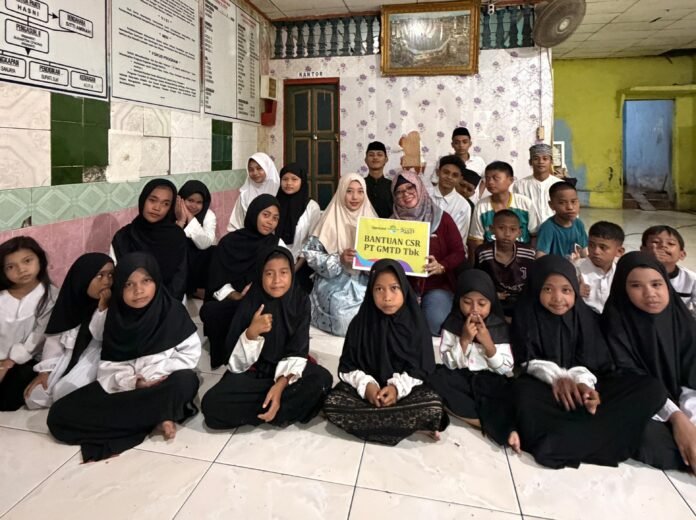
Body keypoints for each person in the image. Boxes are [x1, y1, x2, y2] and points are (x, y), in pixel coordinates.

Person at [509, 255, 665, 468]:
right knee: (521, 393)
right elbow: (525, 360)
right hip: (546, 390)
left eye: (566, 290)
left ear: (575, 290)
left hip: (586, 387)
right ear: (536, 289)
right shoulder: (526, 313)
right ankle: (594, 439)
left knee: (652, 388)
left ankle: (566, 440)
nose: (558, 298)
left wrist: (584, 385)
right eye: (548, 289)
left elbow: (595, 360)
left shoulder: (585, 316)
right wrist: (558, 378)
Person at [47, 252, 201, 462]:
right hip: (125, 387)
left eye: (146, 281)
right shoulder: (115, 315)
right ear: (119, 287)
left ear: (156, 280)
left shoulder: (172, 310)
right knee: (58, 416)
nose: (139, 290)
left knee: (186, 381)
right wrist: (134, 382)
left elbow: (190, 354)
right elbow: (110, 364)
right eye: (128, 284)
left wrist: (153, 375)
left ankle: (147, 415)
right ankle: (157, 415)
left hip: (162, 382)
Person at [202, 247, 332, 429]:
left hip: (287, 374)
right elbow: (236, 365)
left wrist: (279, 386)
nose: (277, 280)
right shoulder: (251, 301)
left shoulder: (300, 300)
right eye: (269, 273)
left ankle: (270, 405)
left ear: (292, 274)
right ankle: (280, 409)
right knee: (212, 404)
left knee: (322, 379)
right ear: (260, 275)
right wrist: (251, 333)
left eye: (283, 273)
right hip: (254, 372)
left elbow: (298, 350)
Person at [323, 259, 448, 445]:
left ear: (404, 289)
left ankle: (372, 422)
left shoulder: (416, 324)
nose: (387, 297)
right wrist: (367, 387)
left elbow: (421, 369)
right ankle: (402, 424)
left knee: (433, 405)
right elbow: (348, 367)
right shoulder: (361, 323)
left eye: (394, 288)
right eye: (379, 289)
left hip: (404, 394)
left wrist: (396, 389)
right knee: (333, 402)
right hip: (367, 395)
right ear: (371, 292)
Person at [603, 252, 696, 471]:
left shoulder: (684, 324)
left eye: (656, 284)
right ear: (623, 289)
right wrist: (676, 417)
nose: (650, 294)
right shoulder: (614, 326)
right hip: (644, 404)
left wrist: (690, 422)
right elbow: (628, 378)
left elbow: (692, 378)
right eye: (636, 286)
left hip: (686, 403)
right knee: (643, 436)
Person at [201, 194, 283, 368]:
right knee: (210, 310)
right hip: (234, 298)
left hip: (263, 300)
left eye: (275, 218)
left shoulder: (276, 245)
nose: (270, 222)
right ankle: (227, 352)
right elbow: (216, 279)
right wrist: (236, 295)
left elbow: (282, 278)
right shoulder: (229, 242)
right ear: (254, 214)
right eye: (266, 215)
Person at [428, 270, 513, 435]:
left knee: (510, 392)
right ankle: (483, 421)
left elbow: (506, 368)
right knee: (435, 377)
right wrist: (464, 340)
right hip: (460, 378)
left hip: (489, 380)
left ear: (491, 302)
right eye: (467, 302)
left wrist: (488, 344)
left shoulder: (498, 326)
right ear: (458, 300)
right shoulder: (452, 322)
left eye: (482, 304)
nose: (474, 310)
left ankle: (476, 417)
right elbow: (448, 362)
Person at [25, 253, 113, 409]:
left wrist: (103, 309)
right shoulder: (69, 304)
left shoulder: (111, 304)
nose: (106, 281)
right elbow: (54, 343)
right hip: (67, 358)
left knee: (65, 392)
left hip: (94, 357)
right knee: (34, 397)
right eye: (100, 275)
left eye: (111, 275)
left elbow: (100, 335)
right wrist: (44, 372)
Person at [391, 170, 466, 336]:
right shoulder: (390, 224)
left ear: (419, 187)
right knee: (398, 327)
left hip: (436, 285)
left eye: (410, 187)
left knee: (434, 323)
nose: (406, 194)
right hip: (402, 287)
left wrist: (442, 266)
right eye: (399, 192)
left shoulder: (441, 218)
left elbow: (459, 252)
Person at [303, 173, 377, 336]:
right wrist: (339, 260)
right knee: (343, 320)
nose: (355, 197)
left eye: (360, 191)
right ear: (341, 191)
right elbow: (311, 254)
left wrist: (369, 263)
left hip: (365, 279)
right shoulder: (328, 220)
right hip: (335, 281)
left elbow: (382, 257)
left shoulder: (373, 222)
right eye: (349, 191)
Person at [0, 237, 58, 411]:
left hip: (27, 359)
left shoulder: (50, 295)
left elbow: (39, 337)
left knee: (6, 400)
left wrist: (9, 362)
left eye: (27, 261)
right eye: (11, 266)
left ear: (39, 259)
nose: (21, 270)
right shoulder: (2, 296)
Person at [111, 178, 187, 301]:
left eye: (165, 204)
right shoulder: (123, 236)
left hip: (169, 302)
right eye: (152, 200)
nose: (157, 208)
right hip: (133, 301)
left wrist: (167, 306)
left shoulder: (176, 236)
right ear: (143, 200)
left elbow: (180, 276)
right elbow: (118, 278)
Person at [468, 161, 539, 261]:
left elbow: (534, 235)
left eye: (496, 178)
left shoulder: (525, 203)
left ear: (510, 180)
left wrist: (531, 258)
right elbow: (476, 240)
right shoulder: (481, 206)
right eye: (487, 178)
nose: (490, 182)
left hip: (522, 258)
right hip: (492, 259)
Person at [474, 210, 536, 317]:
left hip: (522, 301)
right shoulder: (483, 253)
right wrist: (492, 294)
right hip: (494, 301)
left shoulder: (529, 253)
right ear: (492, 229)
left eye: (513, 229)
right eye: (501, 228)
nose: (507, 234)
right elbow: (478, 281)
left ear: (519, 232)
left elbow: (533, 282)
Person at [276, 163, 321, 293]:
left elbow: (311, 241)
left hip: (302, 263)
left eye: (294, 179)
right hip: (275, 259)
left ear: (302, 181)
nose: (289, 183)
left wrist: (294, 268)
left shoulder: (311, 207)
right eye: (285, 179)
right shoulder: (274, 203)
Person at [640, 225, 696, 316]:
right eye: (655, 242)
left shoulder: (692, 279)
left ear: (682, 254)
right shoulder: (634, 276)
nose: (663, 245)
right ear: (642, 251)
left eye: (671, 243)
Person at [176, 180, 216, 298]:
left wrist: (190, 217)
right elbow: (171, 242)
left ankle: (198, 288)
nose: (194, 206)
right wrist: (181, 220)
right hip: (179, 255)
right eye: (190, 200)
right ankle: (188, 288)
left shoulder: (209, 215)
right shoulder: (172, 213)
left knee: (214, 251)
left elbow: (204, 244)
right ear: (181, 199)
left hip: (199, 256)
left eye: (199, 202)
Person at [575, 221, 625, 313]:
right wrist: (573, 291)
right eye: (591, 245)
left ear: (619, 251)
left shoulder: (623, 273)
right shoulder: (575, 270)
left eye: (603, 247)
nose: (596, 251)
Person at [228, 153, 280, 232]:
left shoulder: (278, 190)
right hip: (248, 237)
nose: (255, 173)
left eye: (259, 168)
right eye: (251, 170)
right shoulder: (244, 195)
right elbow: (235, 223)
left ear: (268, 168)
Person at [431, 128, 487, 202]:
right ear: (452, 145)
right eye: (457, 142)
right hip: (449, 202)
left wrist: (478, 196)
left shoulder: (479, 161)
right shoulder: (445, 161)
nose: (461, 145)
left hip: (472, 202)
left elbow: (485, 179)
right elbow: (435, 181)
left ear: (470, 144)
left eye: (465, 142)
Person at [535, 182, 588, 259]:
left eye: (573, 201)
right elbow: (540, 258)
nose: (570, 207)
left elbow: (584, 252)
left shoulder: (578, 224)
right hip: (556, 266)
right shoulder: (548, 228)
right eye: (562, 203)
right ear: (551, 205)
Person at [512, 144, 562, 223]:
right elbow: (516, 210)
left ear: (551, 161)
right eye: (536, 159)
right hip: (529, 229)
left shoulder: (560, 185)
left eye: (545, 159)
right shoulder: (519, 185)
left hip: (555, 228)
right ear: (530, 162)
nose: (541, 162)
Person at [427, 155, 472, 241]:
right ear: (438, 172)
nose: (449, 177)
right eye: (446, 172)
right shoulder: (423, 195)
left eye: (455, 175)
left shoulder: (464, 206)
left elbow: (459, 239)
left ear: (460, 179)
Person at [364, 141, 393, 219]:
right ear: (365, 160)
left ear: (386, 159)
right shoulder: (359, 185)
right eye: (371, 155)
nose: (375, 157)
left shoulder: (393, 186)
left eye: (379, 155)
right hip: (363, 226)